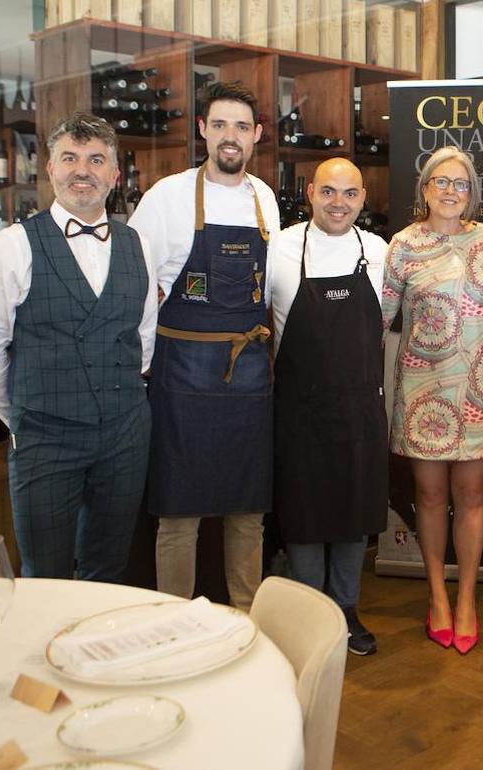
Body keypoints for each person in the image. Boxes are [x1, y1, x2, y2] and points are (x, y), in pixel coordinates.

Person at [0, 112, 157, 580]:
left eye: (96, 160)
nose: (82, 170)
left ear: (114, 175)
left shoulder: (140, 245)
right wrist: (23, 417)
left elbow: (143, 341)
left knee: (109, 567)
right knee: (45, 573)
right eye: (69, 158)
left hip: (125, 434)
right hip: (45, 437)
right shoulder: (12, 246)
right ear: (50, 169)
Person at [129, 81, 280, 612]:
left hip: (249, 373)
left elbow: (271, 292)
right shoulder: (165, 198)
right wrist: (143, 369)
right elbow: (139, 291)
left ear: (257, 135)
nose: (230, 136)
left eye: (241, 126)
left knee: (248, 509)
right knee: (178, 512)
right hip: (183, 372)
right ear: (202, 129)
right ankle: (173, 620)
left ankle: (246, 618)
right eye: (219, 125)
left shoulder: (264, 199)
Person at [381, 146, 483, 656]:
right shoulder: (403, 245)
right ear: (425, 189)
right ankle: (437, 596)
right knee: (431, 498)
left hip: (476, 388)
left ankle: (468, 599)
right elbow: (377, 317)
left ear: (470, 192)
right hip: (423, 391)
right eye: (441, 181)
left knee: (471, 498)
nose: (450, 191)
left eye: (460, 183)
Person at [269, 157, 388, 656]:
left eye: (350, 194)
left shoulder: (380, 252)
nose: (339, 203)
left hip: (359, 410)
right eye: (329, 192)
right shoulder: (279, 248)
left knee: (352, 515)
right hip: (298, 412)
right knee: (302, 514)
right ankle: (307, 609)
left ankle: (344, 609)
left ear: (362, 199)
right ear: (311, 193)